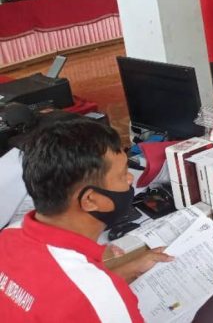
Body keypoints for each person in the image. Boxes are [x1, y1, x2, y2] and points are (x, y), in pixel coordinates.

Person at [0, 119, 171, 321]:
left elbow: (55, 292)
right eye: (123, 174)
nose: (130, 180)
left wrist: (128, 269)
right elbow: (85, 298)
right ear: (90, 200)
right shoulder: (99, 301)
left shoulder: (11, 234)